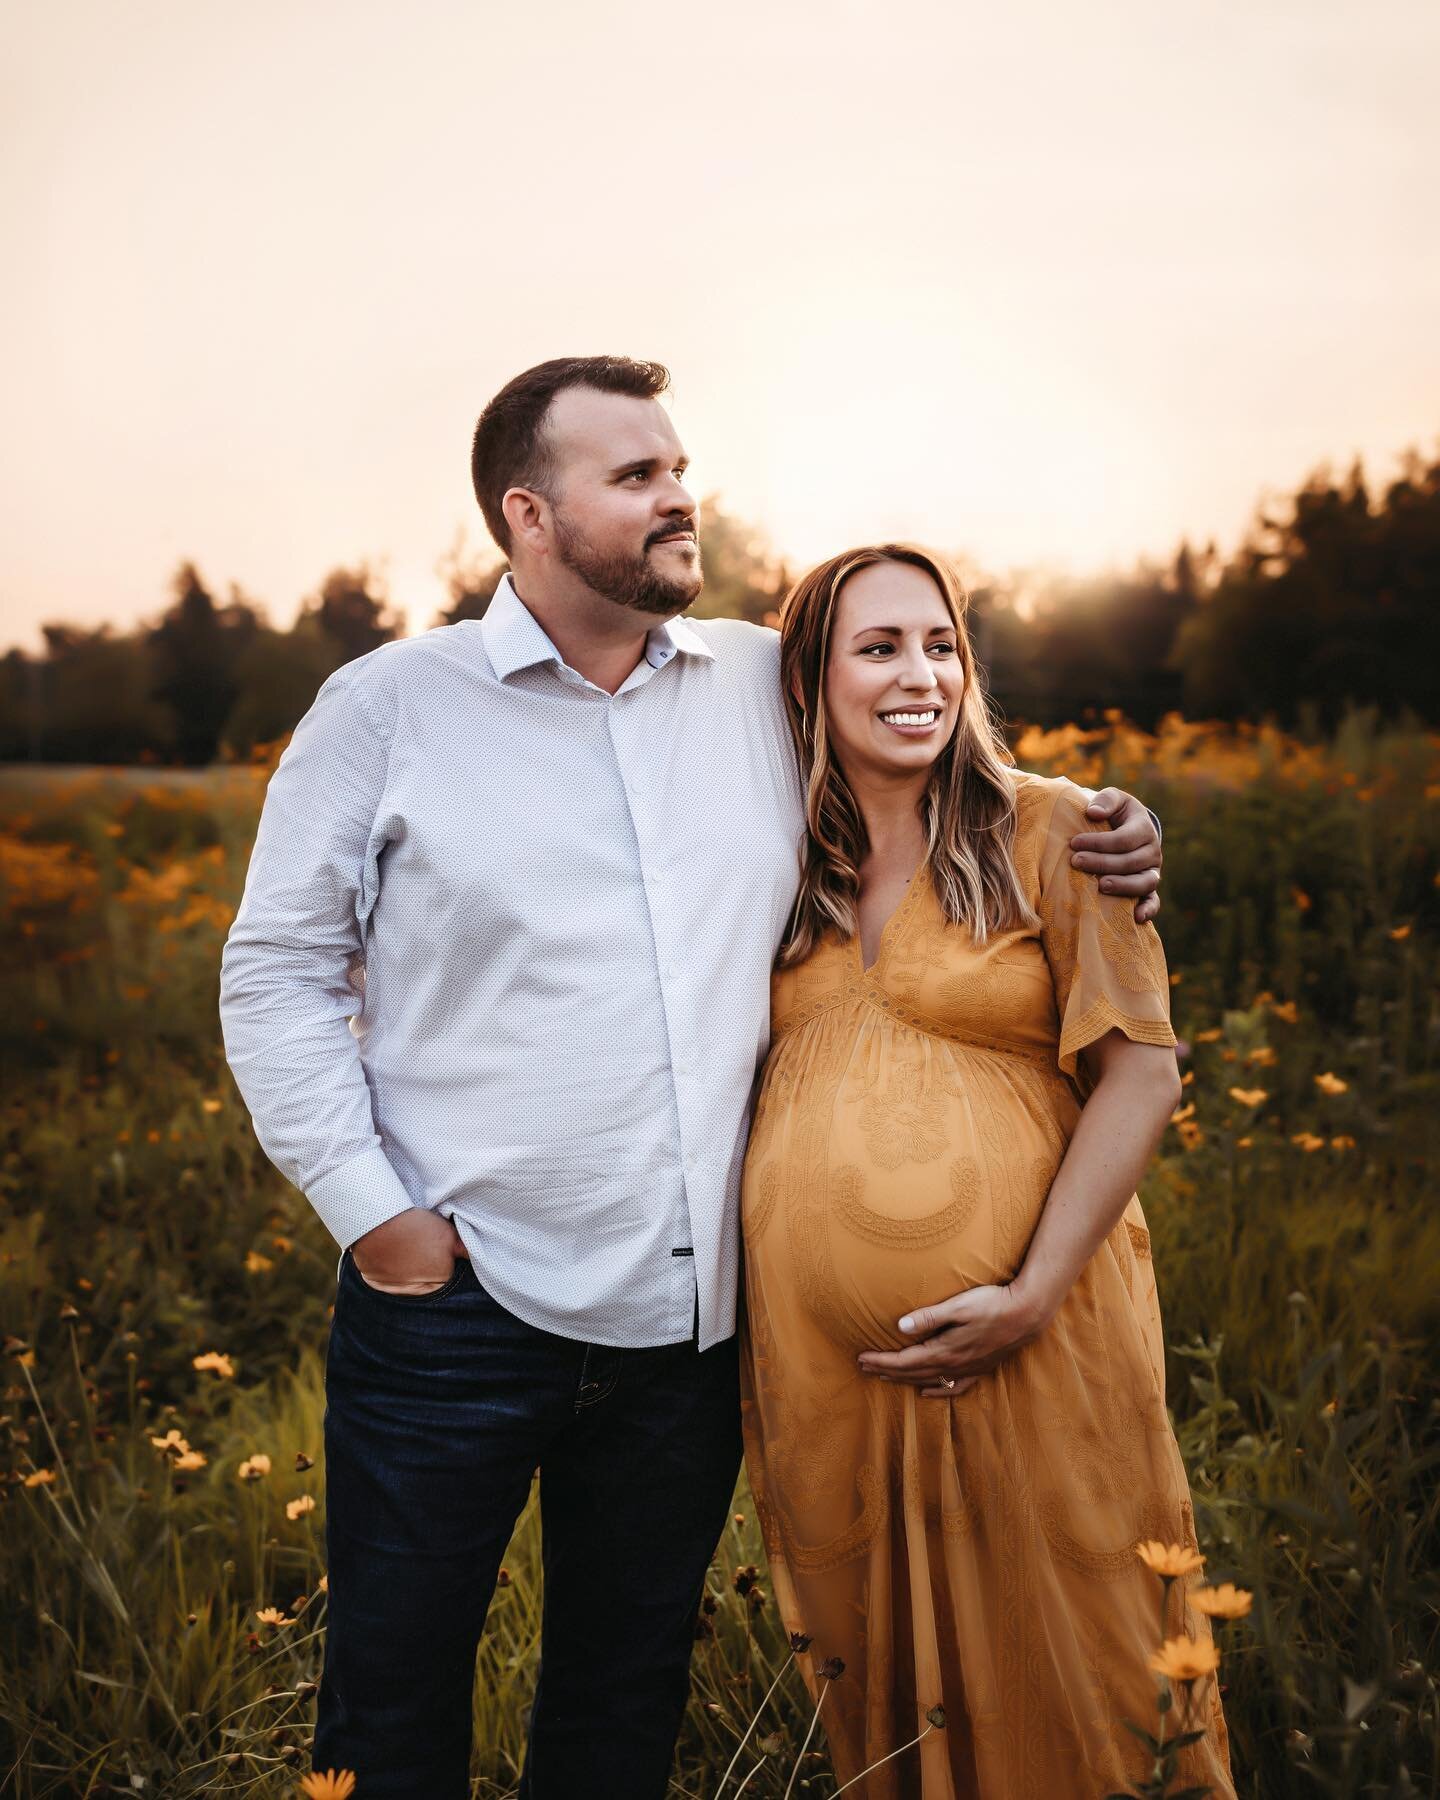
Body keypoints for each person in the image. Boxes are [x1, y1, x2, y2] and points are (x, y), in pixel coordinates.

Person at [218, 356, 1164, 1799]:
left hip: (689, 1324)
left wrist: (1108, 825)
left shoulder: (753, 682)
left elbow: (932, 755)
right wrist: (386, 1228)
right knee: (395, 1702)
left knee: (621, 1700)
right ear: (529, 516)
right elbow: (276, 973)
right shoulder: (389, 706)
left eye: (680, 467)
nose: (681, 496)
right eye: (637, 477)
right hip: (453, 1311)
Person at [739, 542, 1233, 1798]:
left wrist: (1026, 1295)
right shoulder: (763, 861)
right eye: (880, 646)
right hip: (828, 1380)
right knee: (889, 1696)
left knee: (1081, 1659)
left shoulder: (1058, 829)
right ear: (810, 679)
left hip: (1040, 1331)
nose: (921, 674)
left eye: (942, 643)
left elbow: (1143, 1072)